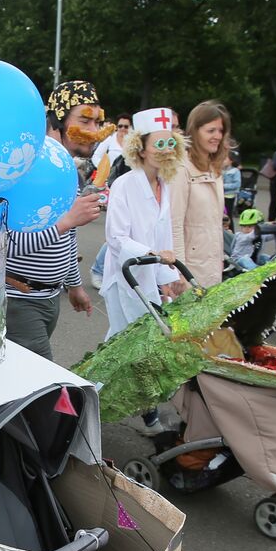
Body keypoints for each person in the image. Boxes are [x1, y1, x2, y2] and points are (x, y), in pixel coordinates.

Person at [3, 80, 105, 360]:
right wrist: (66, 221)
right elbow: (4, 246)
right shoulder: (27, 168)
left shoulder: (66, 170)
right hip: (19, 299)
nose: (94, 132)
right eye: (84, 121)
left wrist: (74, 286)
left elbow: (67, 238)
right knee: (41, 386)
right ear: (57, 121)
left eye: (98, 122)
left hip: (49, 299)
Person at [99, 108, 183, 429]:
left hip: (149, 277)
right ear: (141, 147)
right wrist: (151, 255)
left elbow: (165, 236)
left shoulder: (166, 185)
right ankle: (146, 412)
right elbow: (117, 238)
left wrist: (169, 277)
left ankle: (86, 396)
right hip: (126, 277)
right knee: (136, 344)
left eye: (169, 144)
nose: (164, 152)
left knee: (123, 343)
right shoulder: (124, 185)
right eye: (157, 144)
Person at [170, 100, 232, 291]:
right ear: (195, 131)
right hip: (190, 267)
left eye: (220, 131)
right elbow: (174, 223)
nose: (217, 137)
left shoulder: (215, 168)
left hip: (212, 264)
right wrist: (178, 271)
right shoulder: (182, 168)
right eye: (210, 131)